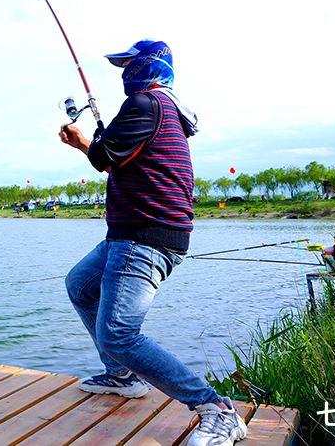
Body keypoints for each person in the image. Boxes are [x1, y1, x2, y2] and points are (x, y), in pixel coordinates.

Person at [59, 40, 247, 446]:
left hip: (145, 236)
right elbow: (114, 156)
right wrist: (94, 142)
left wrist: (80, 141)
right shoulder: (166, 110)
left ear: (146, 66)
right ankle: (123, 375)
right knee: (80, 284)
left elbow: (102, 156)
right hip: (131, 233)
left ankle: (216, 409)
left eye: (127, 64)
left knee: (119, 333)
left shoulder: (145, 105)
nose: (123, 72)